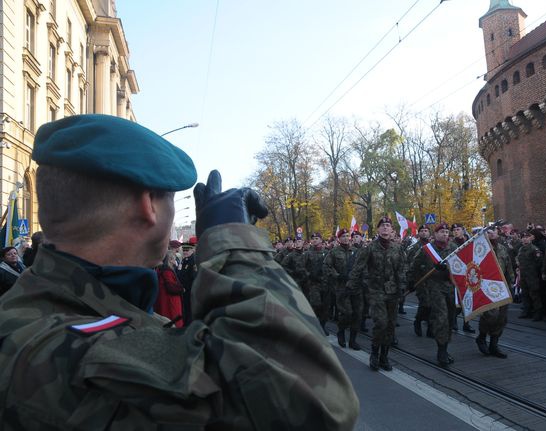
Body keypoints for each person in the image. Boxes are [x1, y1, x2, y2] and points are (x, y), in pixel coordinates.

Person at [0, 115, 358, 429]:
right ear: (148, 206)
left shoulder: (62, 304)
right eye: (170, 197)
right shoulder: (50, 344)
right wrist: (234, 246)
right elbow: (315, 403)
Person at [349, 216, 405, 371]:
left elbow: (401, 269)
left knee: (390, 326)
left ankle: (384, 357)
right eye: (383, 226)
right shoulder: (369, 248)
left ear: (392, 230)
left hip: (392, 292)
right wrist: (351, 286)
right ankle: (374, 353)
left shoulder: (397, 248)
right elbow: (358, 268)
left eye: (388, 225)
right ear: (378, 229)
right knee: (380, 323)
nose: (385, 228)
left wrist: (403, 287)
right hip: (375, 291)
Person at [411, 223, 457, 366]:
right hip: (434, 288)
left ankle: (445, 346)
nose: (445, 234)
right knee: (441, 318)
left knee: (450, 318)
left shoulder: (454, 248)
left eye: (446, 232)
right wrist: (416, 282)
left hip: (450, 287)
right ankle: (441, 350)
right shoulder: (427, 250)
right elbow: (414, 266)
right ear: (435, 234)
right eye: (441, 231)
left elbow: (461, 266)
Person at [476, 226, 514, 358]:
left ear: (498, 233)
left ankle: (494, 344)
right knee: (490, 315)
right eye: (488, 232)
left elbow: (509, 267)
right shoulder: (480, 249)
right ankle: (481, 337)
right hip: (486, 287)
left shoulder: (503, 249)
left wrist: (511, 284)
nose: (491, 234)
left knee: (501, 317)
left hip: (502, 287)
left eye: (494, 231)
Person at [324, 229, 361, 350]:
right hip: (341, 287)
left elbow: (362, 267)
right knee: (346, 313)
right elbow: (326, 267)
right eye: (343, 236)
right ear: (339, 239)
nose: (345, 238)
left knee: (357, 314)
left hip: (355, 287)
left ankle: (353, 340)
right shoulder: (333, 252)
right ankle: (341, 332)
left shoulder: (356, 252)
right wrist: (338, 275)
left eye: (347, 236)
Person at [516, 231, 544, 321]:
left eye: (527, 237)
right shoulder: (521, 249)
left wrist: (533, 271)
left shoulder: (534, 249)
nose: (525, 239)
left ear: (530, 238)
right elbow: (519, 260)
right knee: (525, 294)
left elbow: (539, 262)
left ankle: (538, 313)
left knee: (534, 294)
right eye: (523, 237)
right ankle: (526, 311)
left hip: (532, 276)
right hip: (523, 275)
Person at [154, 250, 185, 327]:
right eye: (173, 259)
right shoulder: (167, 271)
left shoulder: (161, 269)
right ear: (170, 260)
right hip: (170, 302)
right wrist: (182, 289)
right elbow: (171, 287)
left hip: (164, 300)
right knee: (173, 322)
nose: (175, 260)